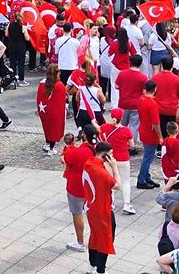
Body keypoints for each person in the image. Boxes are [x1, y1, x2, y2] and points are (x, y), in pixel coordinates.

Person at [82, 141, 121, 274]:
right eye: (110, 155)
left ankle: (92, 265)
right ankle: (101, 270)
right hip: (102, 209)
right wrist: (115, 167)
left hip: (91, 206)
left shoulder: (89, 163)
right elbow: (117, 185)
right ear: (105, 155)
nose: (112, 157)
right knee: (105, 239)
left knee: (95, 236)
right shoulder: (101, 172)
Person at [62, 124, 98, 252]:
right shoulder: (97, 150)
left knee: (77, 214)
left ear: (84, 135)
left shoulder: (78, 151)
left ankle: (80, 242)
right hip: (92, 187)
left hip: (77, 187)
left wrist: (68, 147)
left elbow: (66, 159)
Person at [99, 108, 135, 214]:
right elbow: (132, 145)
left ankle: (111, 202)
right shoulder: (126, 130)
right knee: (125, 181)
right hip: (123, 159)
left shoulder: (105, 127)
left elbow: (99, 132)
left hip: (110, 159)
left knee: (110, 181)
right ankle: (126, 204)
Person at [136, 79, 162, 189]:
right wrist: (160, 136)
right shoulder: (152, 103)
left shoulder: (141, 99)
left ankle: (146, 177)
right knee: (148, 158)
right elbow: (156, 123)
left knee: (147, 155)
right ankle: (141, 179)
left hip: (143, 129)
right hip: (150, 133)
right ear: (155, 89)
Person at [37, 64, 67, 156]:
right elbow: (63, 100)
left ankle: (47, 143)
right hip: (55, 112)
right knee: (54, 129)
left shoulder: (42, 84)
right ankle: (51, 148)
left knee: (47, 127)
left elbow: (39, 98)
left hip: (44, 111)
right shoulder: (59, 85)